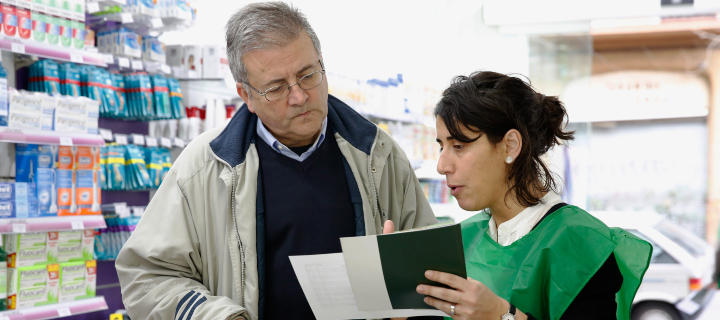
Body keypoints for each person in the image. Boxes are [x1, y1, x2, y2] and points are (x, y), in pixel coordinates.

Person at [115, 2, 437, 320]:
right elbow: (146, 275)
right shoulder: (204, 168)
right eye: (276, 88)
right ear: (247, 96)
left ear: (322, 64)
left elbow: (433, 269)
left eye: (307, 75)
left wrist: (405, 291)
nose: (298, 96)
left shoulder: (378, 155)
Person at [392, 71, 652, 320]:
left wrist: (501, 316)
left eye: (459, 146)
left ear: (510, 145)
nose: (442, 165)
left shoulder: (581, 243)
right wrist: (395, 291)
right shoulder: (461, 240)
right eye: (442, 146)